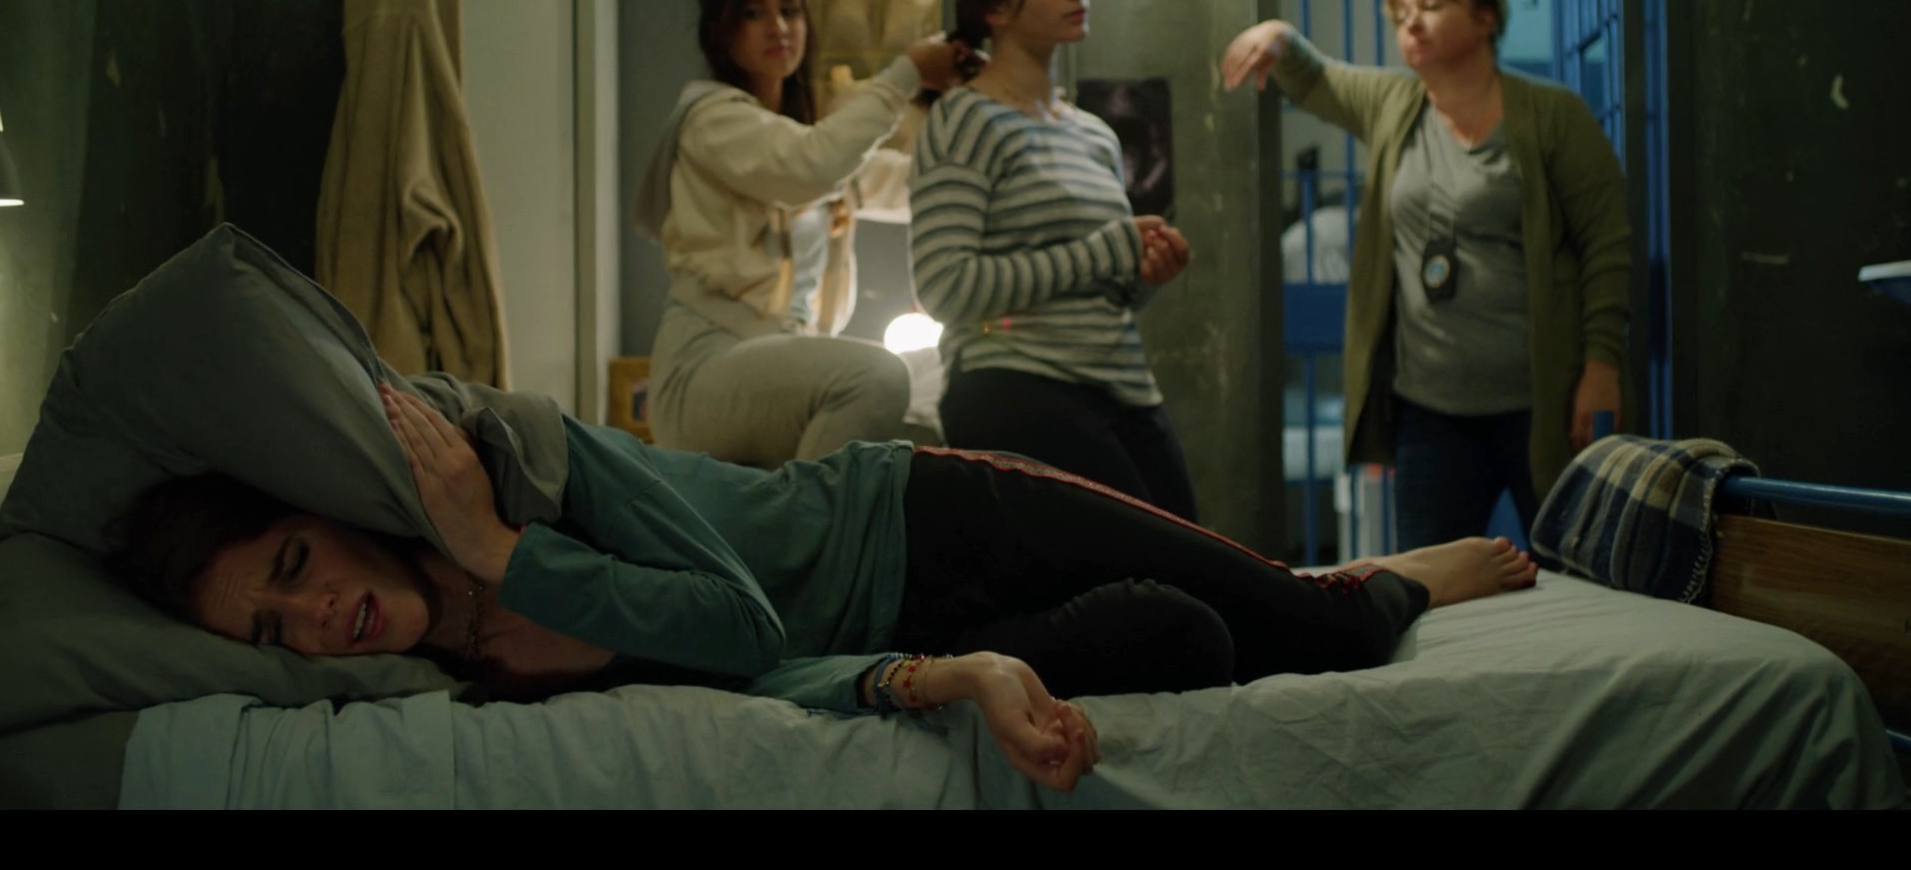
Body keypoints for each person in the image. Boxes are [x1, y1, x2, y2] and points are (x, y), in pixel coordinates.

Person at [110, 384, 1539, 794]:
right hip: (929, 625)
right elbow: (754, 676)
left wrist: (497, 552)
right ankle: (1302, 591)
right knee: (1188, 636)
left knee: (1321, 631)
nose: (317, 618)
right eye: (273, 630)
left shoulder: (534, 476)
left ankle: (1384, 578)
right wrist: (939, 679)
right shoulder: (464, 679)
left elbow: (734, 612)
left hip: (930, 513)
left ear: (328, 518)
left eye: (293, 568)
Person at [1220, 0, 1631, 549]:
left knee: (1575, 570)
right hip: (1431, 411)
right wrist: (1277, 34)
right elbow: (1313, 77)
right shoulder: (1393, 103)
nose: (1410, 21)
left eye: (1432, 5)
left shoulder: (1553, 114)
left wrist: (1601, 366)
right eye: (1400, 13)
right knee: (1435, 581)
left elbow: (1607, 241)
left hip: (1542, 400)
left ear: (1485, 18)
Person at [630, 0, 972, 468]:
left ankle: (830, 515)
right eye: (753, 13)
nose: (778, 27)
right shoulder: (711, 120)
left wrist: (979, 114)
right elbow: (812, 165)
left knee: (940, 384)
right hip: (706, 366)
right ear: (720, 28)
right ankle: (807, 521)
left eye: (789, 10)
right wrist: (907, 73)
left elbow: (904, 184)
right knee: (877, 376)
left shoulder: (795, 140)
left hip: (781, 358)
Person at [908, 0, 1200, 520]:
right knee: (1145, 563)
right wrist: (1104, 251)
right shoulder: (966, 120)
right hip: (1015, 383)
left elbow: (1101, 289)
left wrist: (1143, 274)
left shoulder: (1093, 134)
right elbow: (944, 286)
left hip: (1121, 383)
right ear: (994, 7)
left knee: (1199, 557)